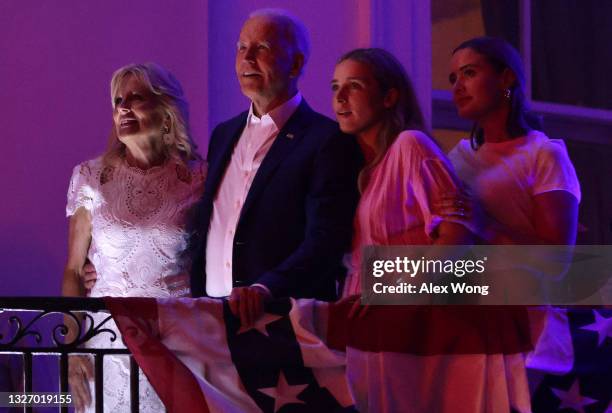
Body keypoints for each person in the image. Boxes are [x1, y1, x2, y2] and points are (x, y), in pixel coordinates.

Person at [187, 9, 362, 327]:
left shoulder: (327, 140)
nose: (247, 58)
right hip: (212, 318)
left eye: (262, 48)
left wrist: (265, 288)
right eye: (241, 47)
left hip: (283, 321)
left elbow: (325, 239)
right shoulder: (223, 134)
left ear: (295, 64)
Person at [332, 48, 477, 412]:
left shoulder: (410, 146)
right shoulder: (366, 170)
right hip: (366, 328)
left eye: (354, 86)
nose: (339, 97)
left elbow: (457, 236)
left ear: (389, 95)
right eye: (335, 86)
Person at [62, 62, 205, 412]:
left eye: (136, 97)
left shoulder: (200, 177)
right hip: (107, 339)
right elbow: (75, 271)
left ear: (166, 110)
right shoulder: (91, 176)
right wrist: (71, 347)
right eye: (117, 100)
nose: (123, 107)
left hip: (175, 340)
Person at [443, 36, 580, 245]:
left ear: (506, 78)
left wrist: (485, 226)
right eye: (453, 79)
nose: (457, 87)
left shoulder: (544, 154)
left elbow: (557, 261)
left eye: (469, 73)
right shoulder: (460, 156)